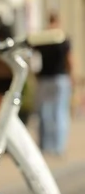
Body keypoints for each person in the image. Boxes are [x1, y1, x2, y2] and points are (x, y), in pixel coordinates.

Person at [35, 12, 73, 156]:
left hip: (44, 78)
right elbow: (69, 59)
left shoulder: (43, 38)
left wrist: (35, 74)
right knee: (60, 113)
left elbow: (33, 56)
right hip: (60, 78)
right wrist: (71, 76)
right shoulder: (62, 37)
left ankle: (44, 145)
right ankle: (58, 146)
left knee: (44, 113)